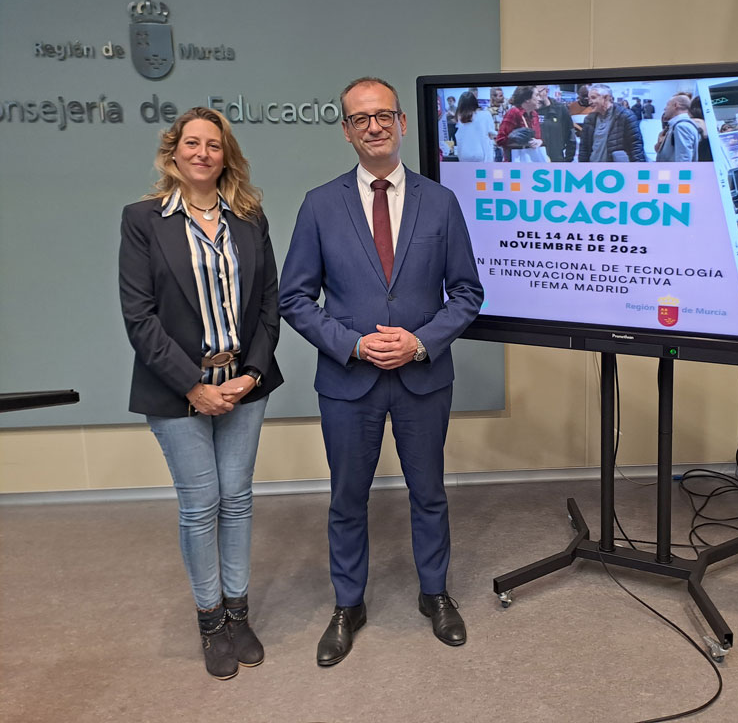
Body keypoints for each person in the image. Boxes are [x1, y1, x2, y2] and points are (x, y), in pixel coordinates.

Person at [279, 77, 483, 666]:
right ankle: (348, 604)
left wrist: (419, 342)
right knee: (347, 497)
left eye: (383, 115)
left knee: (429, 495)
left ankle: (435, 594)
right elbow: (294, 298)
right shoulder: (320, 204)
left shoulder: (439, 202)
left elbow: (467, 293)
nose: (374, 125)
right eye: (360, 118)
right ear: (346, 130)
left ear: (400, 122)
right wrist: (355, 344)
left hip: (423, 377)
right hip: (349, 380)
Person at [119, 107, 283, 680]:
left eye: (214, 145)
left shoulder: (250, 217)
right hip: (175, 388)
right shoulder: (143, 221)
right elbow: (139, 318)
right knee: (201, 504)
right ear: (173, 153)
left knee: (237, 497)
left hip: (242, 382)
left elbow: (269, 304)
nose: (203, 153)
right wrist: (193, 386)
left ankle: (239, 614)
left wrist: (251, 374)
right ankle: (210, 621)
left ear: (225, 155)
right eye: (192, 143)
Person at [578, 84, 646, 162]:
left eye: (593, 98)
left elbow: (636, 147)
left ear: (606, 98)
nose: (589, 102)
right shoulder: (589, 119)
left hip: (615, 172)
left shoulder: (626, 116)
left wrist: (637, 169)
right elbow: (584, 148)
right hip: (593, 170)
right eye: (589, 99)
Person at [495, 85, 543, 162]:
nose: (539, 99)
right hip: (515, 163)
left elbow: (538, 137)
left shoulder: (534, 114)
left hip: (532, 162)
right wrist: (516, 141)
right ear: (527, 99)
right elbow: (500, 140)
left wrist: (539, 141)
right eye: (537, 95)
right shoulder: (513, 113)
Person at [655, 94, 706, 162]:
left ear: (676, 105)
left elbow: (683, 159)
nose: (665, 108)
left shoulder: (682, 126)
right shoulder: (679, 125)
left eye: (667, 105)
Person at [535, 84, 576, 162]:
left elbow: (570, 135)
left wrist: (568, 159)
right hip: (536, 160)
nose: (536, 96)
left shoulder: (560, 109)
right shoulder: (529, 110)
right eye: (533, 94)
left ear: (546, 91)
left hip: (557, 159)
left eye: (538, 92)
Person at [452, 91, 496, 162]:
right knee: (482, 173)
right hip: (481, 154)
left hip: (464, 154)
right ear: (474, 102)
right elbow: (492, 134)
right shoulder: (486, 115)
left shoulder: (460, 118)